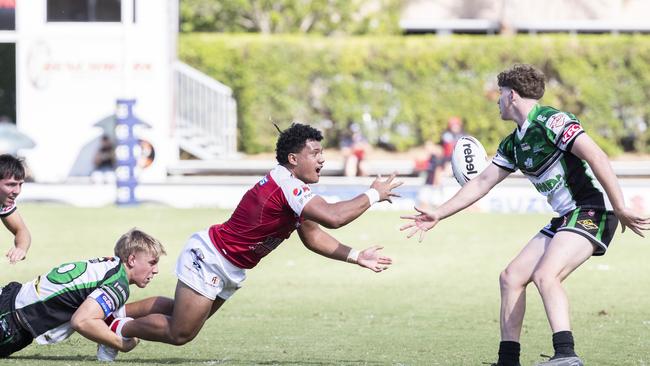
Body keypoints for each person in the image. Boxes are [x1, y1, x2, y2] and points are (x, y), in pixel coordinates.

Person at [400, 64, 650, 366]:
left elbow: (597, 155)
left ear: (513, 96)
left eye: (500, 94)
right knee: (511, 277)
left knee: (547, 274)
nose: (497, 100)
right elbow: (481, 182)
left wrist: (620, 205)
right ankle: (508, 361)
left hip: (591, 209)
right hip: (565, 217)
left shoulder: (553, 122)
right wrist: (438, 213)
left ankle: (566, 355)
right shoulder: (513, 143)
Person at [101, 123, 401, 357]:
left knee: (183, 315)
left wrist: (356, 255)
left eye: (321, 152)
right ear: (293, 159)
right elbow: (334, 217)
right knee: (181, 333)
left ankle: (117, 312)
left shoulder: (293, 188)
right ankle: (117, 328)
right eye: (314, 153)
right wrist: (373, 193)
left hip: (227, 264)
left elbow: (313, 237)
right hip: (212, 256)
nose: (321, 158)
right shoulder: (288, 186)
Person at [0, 228, 168, 358]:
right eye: (152, 263)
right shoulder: (118, 283)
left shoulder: (109, 264)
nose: (156, 270)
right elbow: (81, 322)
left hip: (10, 295)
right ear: (131, 260)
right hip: (11, 321)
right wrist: (121, 344)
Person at [0, 154, 31, 264]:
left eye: (20, 185)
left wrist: (20, 249)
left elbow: (21, 230)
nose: (17, 191)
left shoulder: (3, 204)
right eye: (11, 185)